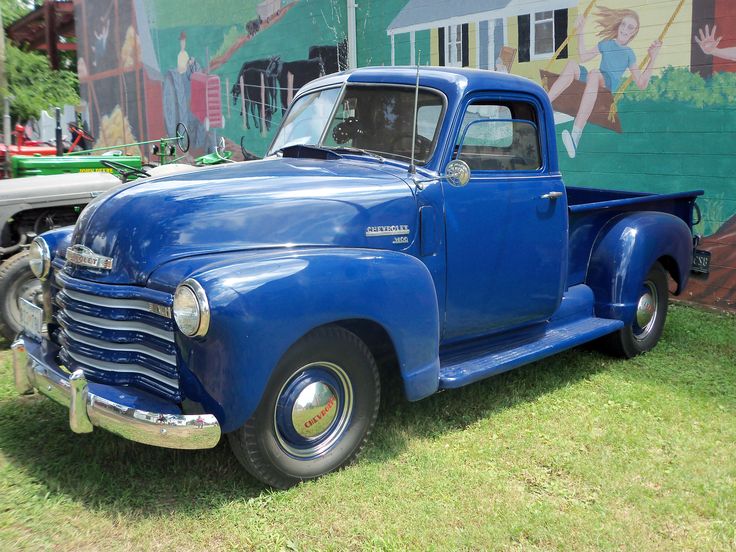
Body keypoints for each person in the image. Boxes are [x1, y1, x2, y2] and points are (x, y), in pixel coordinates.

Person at [546, 7, 662, 158]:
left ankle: (575, 135)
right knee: (572, 65)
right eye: (624, 24)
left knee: (594, 73)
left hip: (606, 86)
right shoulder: (606, 44)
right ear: (619, 25)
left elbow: (642, 83)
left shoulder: (629, 54)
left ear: (634, 32)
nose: (626, 29)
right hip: (594, 81)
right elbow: (583, 56)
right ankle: (545, 103)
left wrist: (653, 58)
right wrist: (580, 30)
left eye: (630, 27)